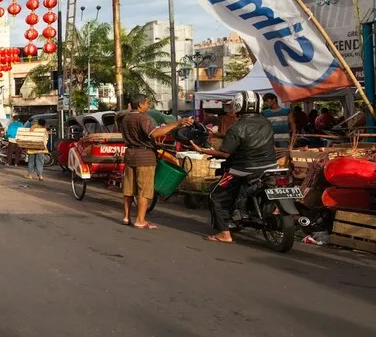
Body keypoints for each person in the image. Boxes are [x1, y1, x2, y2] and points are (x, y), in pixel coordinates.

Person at [192, 99, 279, 244]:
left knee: (216, 194)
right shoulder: (265, 122)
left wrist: (201, 150)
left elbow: (225, 153)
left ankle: (224, 234)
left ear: (238, 106)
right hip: (270, 166)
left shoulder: (236, 126)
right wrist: (219, 136)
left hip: (244, 169)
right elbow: (245, 138)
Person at [118, 94, 193, 230]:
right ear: (140, 105)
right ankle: (140, 220)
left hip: (130, 155)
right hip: (144, 157)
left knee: (129, 189)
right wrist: (177, 123)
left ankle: (126, 217)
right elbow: (154, 134)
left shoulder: (126, 119)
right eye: (147, 103)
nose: (149, 106)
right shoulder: (143, 118)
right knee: (144, 190)